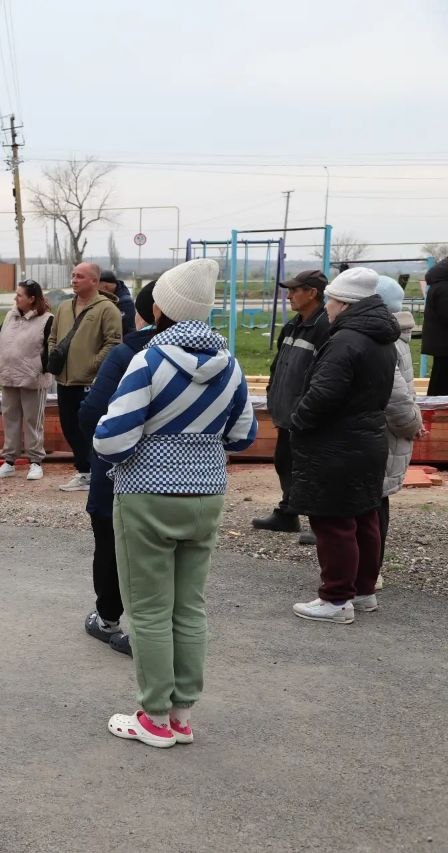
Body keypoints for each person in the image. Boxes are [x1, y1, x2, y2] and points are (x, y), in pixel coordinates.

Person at [94, 258, 256, 748]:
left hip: (146, 495)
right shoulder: (230, 364)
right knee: (190, 608)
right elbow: (244, 434)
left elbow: (111, 438)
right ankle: (182, 715)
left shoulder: (149, 361)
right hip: (207, 496)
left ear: (160, 308)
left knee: (147, 610)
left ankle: (155, 719)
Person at [290, 268, 401, 624]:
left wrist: (299, 420)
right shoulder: (381, 338)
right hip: (368, 438)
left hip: (335, 443)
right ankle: (363, 591)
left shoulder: (345, 340)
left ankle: (336, 599)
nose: (327, 308)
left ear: (345, 302)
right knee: (364, 515)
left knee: (333, 521)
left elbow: (324, 394)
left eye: (331, 301)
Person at [77, 281, 159, 657]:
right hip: (184, 477)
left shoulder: (131, 351)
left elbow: (93, 411)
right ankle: (163, 629)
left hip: (120, 469)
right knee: (165, 552)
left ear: (147, 312)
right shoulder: (217, 353)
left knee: (112, 541)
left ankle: (109, 617)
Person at [253, 270, 330, 547]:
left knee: (309, 467)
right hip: (288, 410)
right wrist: (273, 390)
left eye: (295, 290)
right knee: (284, 460)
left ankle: (319, 522)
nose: (289, 295)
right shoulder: (294, 325)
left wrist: (307, 405)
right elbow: (279, 363)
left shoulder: (325, 327)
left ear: (312, 293)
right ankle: (289, 513)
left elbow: (325, 372)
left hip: (306, 413)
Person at [47, 262, 123, 491]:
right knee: (69, 427)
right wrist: (53, 353)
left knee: (87, 427)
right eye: (73, 276)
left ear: (94, 281)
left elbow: (113, 342)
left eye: (80, 276)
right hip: (64, 380)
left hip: (90, 382)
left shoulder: (106, 309)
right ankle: (83, 471)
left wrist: (92, 365)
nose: (74, 280)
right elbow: (53, 336)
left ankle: (94, 472)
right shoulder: (63, 307)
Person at [376, 276, 426, 588]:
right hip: (392, 433)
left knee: (373, 504)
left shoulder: (386, 341)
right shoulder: (399, 337)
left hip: (385, 435)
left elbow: (396, 398)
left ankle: (370, 571)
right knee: (377, 503)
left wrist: (412, 425)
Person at [0, 279, 52, 481]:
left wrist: (42, 368)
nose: (15, 298)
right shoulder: (10, 315)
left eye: (19, 295)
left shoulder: (47, 319)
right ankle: (9, 461)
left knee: (33, 421)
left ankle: (35, 462)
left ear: (32, 299)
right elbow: (0, 341)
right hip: (8, 375)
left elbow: (50, 349)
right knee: (10, 418)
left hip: (32, 378)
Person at [424, 258, 448, 396]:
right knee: (441, 388)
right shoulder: (444, 288)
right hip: (444, 346)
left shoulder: (440, 284)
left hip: (442, 346)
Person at [99, 270, 136, 337]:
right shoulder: (117, 296)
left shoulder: (125, 303)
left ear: (106, 287)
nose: (97, 293)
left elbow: (126, 328)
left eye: (99, 290)